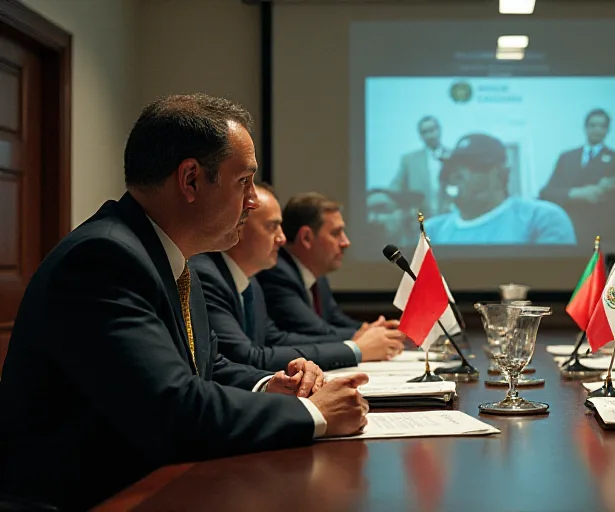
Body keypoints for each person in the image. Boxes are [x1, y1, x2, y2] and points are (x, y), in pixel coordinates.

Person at [0, 94, 369, 510]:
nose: (252, 199)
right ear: (190, 179)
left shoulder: (168, 256)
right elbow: (172, 408)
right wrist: (314, 415)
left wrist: (273, 386)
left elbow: (207, 368)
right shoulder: (104, 260)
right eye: (243, 181)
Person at [192, 183, 405, 372]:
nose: (282, 239)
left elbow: (275, 339)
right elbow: (246, 357)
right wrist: (354, 347)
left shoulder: (251, 282)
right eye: (272, 227)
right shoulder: (207, 276)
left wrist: (358, 339)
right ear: (237, 227)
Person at [257, 193, 403, 340]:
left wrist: (369, 329)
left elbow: (336, 318)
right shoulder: (277, 273)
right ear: (306, 237)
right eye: (336, 233)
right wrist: (366, 336)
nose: (346, 242)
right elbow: (313, 329)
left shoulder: (317, 277)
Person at [425, 133, 577, 245]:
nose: (457, 175)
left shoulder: (540, 220)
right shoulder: (431, 231)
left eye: (471, 167)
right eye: (454, 167)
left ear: (498, 175)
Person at [539, 108, 615, 242]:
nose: (597, 130)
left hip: (603, 233)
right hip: (570, 230)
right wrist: (576, 193)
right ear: (585, 128)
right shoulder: (567, 158)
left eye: (602, 126)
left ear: (607, 130)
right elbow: (546, 193)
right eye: (593, 125)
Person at [390, 115, 452, 216]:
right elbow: (395, 188)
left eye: (432, 130)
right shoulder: (409, 160)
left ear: (439, 130)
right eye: (424, 132)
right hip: (419, 220)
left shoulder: (454, 156)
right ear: (420, 136)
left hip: (448, 218)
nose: (429, 135)